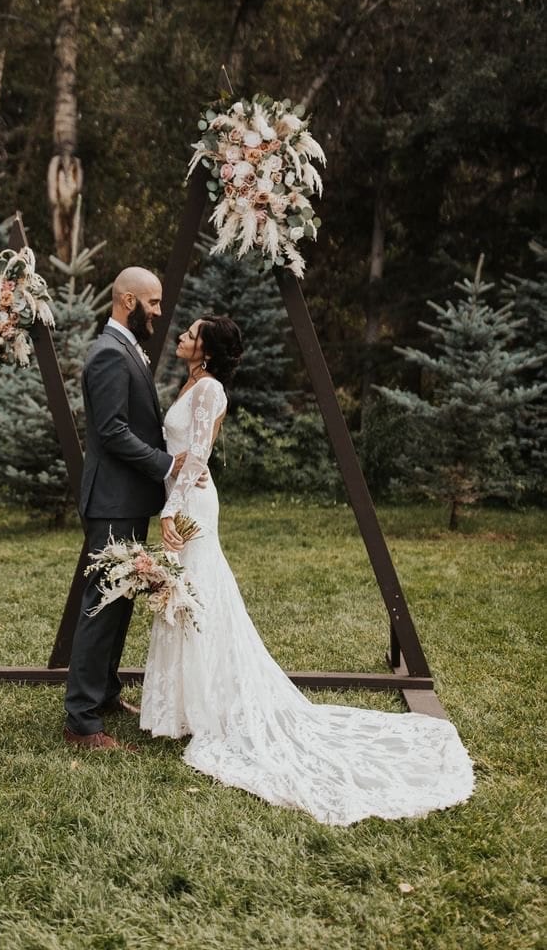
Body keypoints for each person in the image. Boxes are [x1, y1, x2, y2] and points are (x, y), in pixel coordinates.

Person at [140, 314, 475, 826]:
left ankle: (207, 708)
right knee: (188, 595)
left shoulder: (210, 391)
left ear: (204, 348)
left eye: (190, 333)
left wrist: (171, 512)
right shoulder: (192, 382)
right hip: (181, 496)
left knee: (195, 595)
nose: (182, 336)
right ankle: (185, 705)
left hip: (191, 507)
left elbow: (201, 454)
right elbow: (181, 451)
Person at [63, 267, 193, 751]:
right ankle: (81, 720)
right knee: (102, 605)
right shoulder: (108, 355)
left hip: (127, 498)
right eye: (153, 303)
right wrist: (166, 464)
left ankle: (106, 692)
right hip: (112, 500)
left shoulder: (125, 349)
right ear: (126, 300)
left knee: (119, 602)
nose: (159, 312)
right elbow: (113, 432)